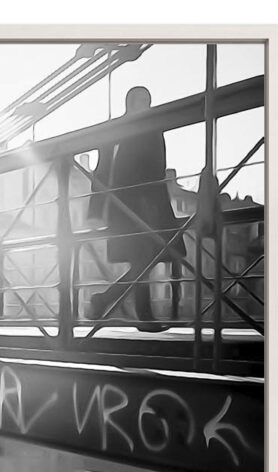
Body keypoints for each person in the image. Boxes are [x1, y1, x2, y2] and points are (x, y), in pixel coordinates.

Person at [86, 86, 185, 331]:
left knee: (147, 259)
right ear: (129, 102)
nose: (144, 105)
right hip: (130, 205)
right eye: (140, 100)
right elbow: (104, 166)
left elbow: (157, 167)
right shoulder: (125, 128)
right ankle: (141, 314)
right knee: (144, 258)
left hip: (148, 204)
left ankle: (108, 301)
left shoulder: (149, 126)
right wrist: (97, 208)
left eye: (147, 100)